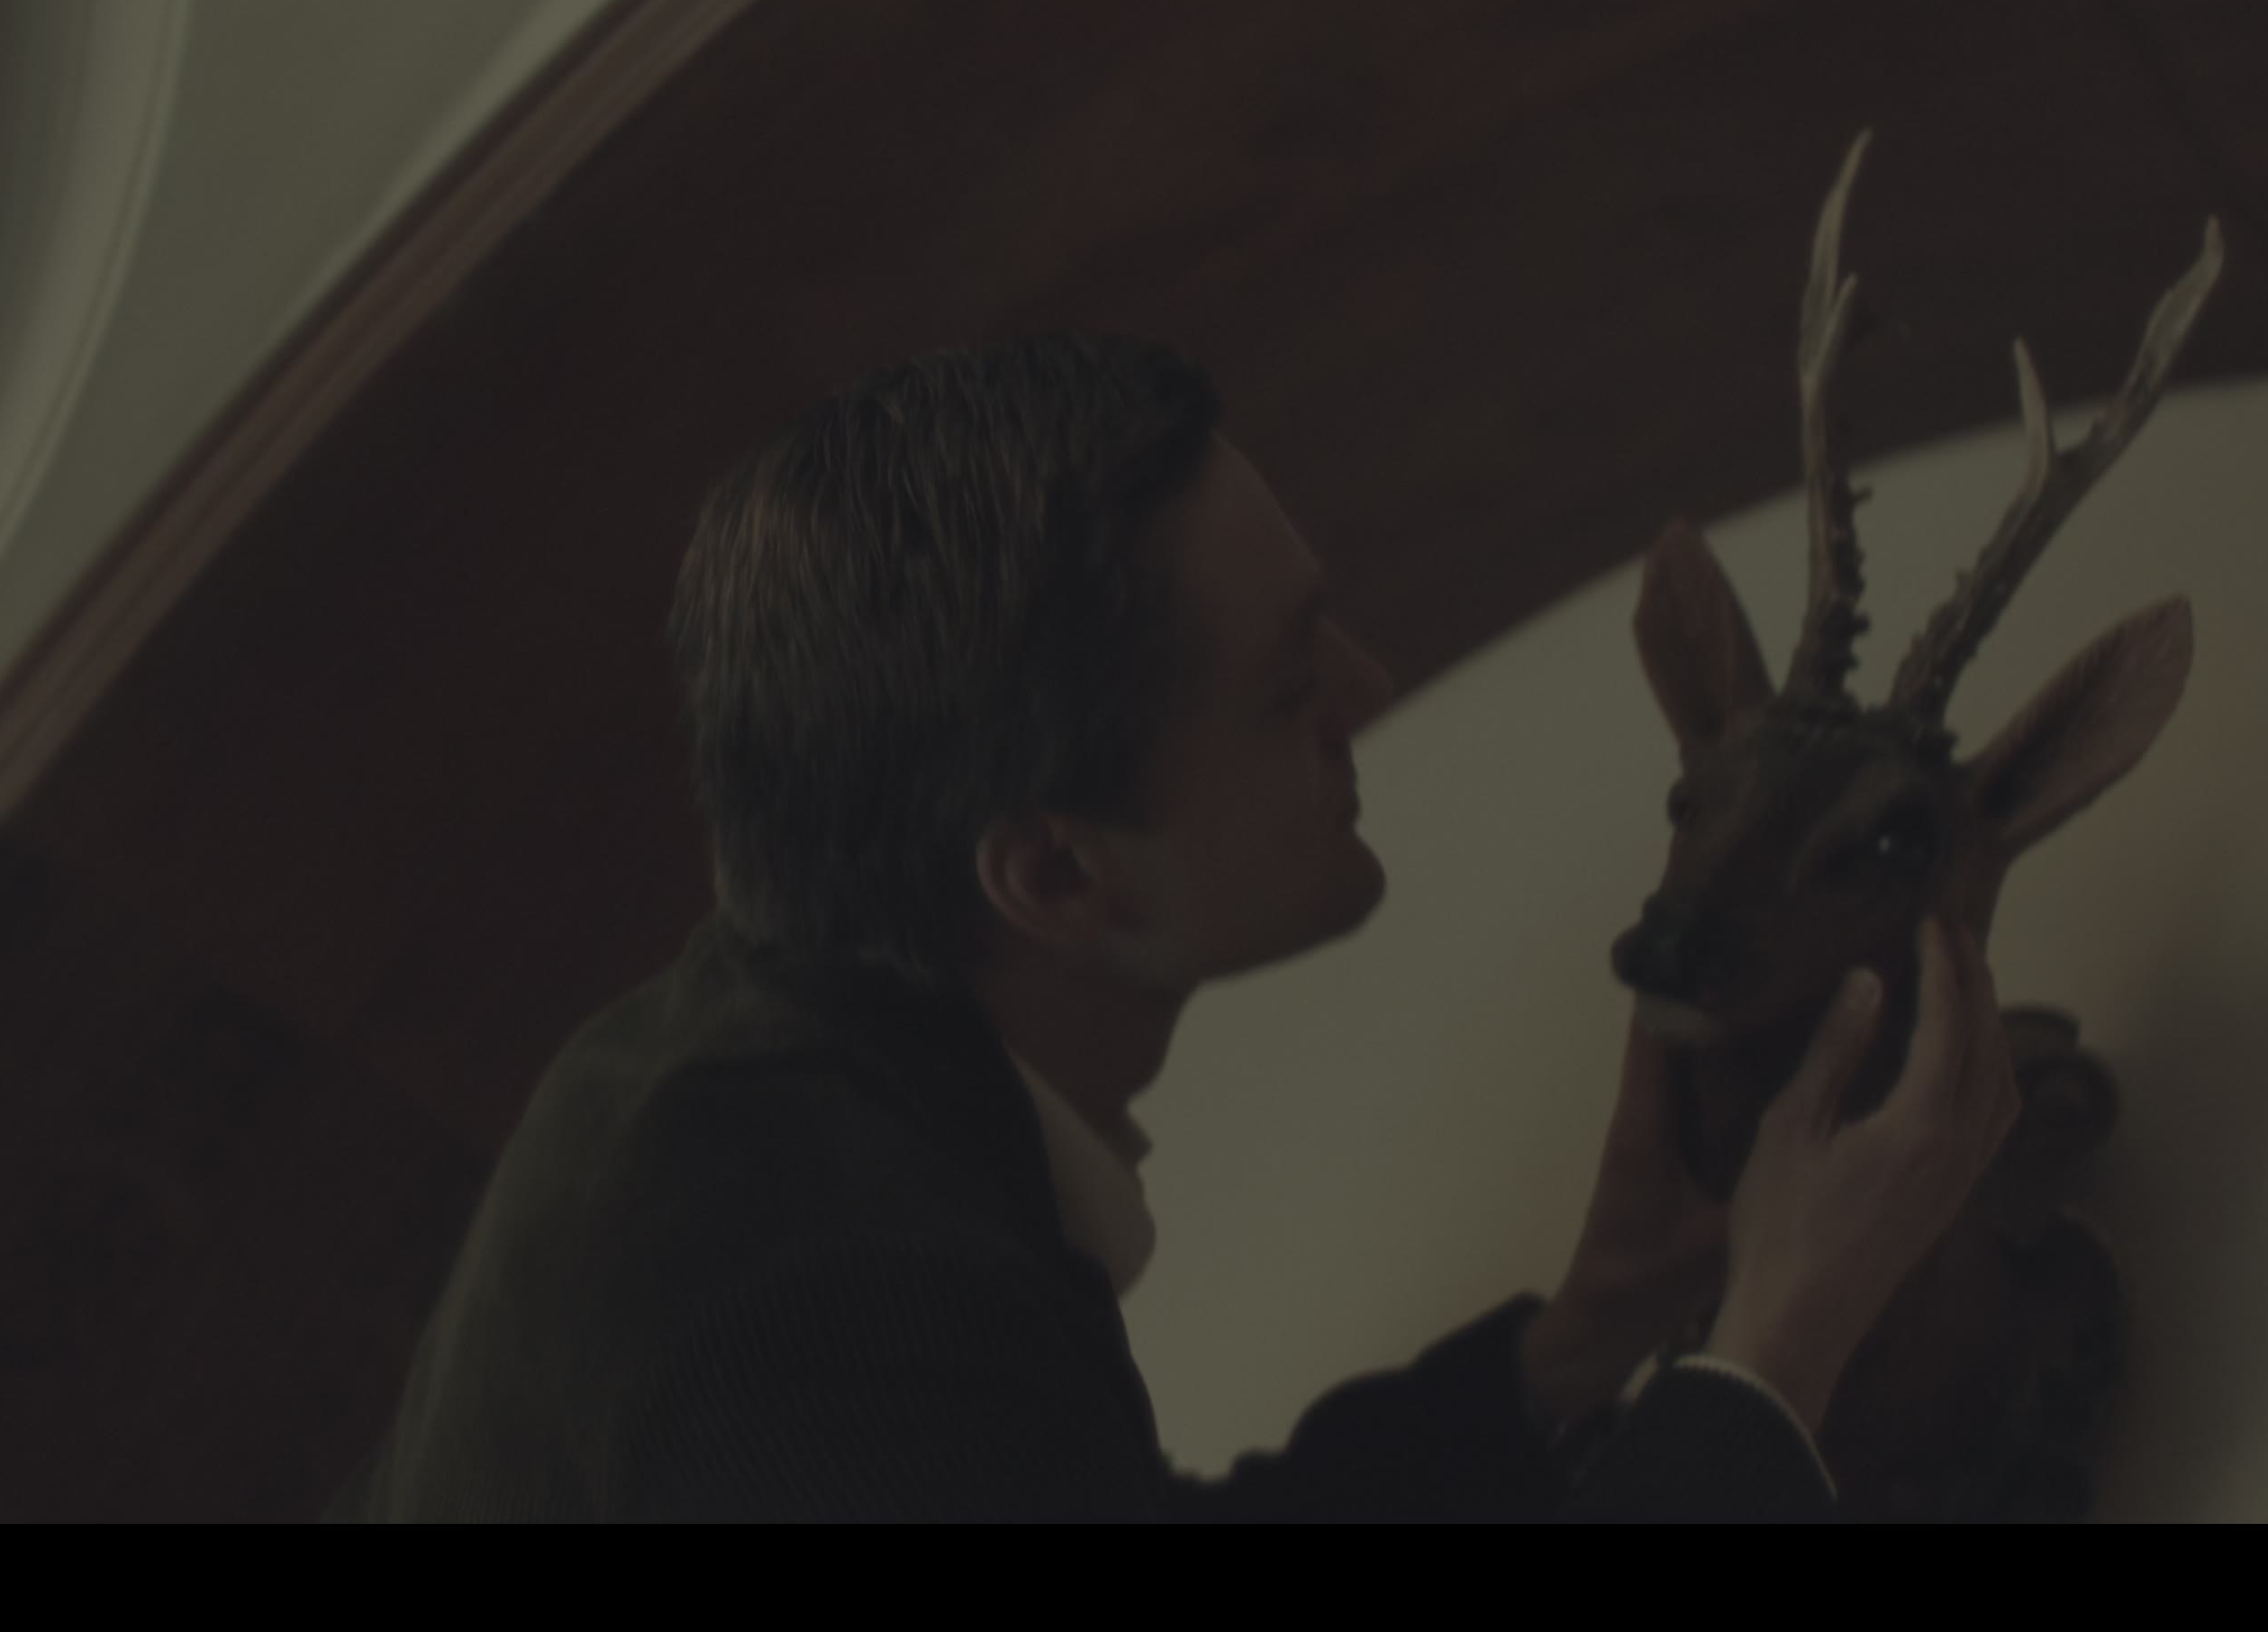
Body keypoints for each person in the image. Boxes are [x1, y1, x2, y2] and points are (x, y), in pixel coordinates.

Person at [328, 330, 2019, 1522]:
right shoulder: (801, 1308)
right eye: (1288, 689)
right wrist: (1779, 1346)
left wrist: (1578, 1344)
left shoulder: (762, 1088)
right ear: (1059, 878)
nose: (1368, 689)